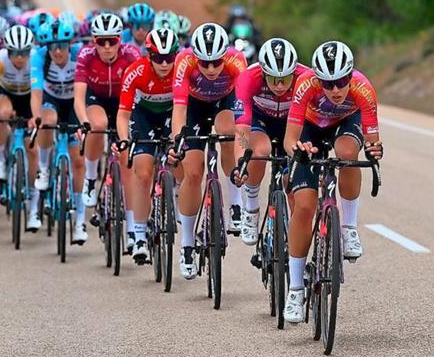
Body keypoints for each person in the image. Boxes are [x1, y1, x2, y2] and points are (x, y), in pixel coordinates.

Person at [281, 41, 383, 324]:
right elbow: (290, 139)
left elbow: (373, 141)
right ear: (317, 79)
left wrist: (375, 151)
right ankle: (296, 289)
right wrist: (299, 152)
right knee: (303, 207)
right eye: (328, 84)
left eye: (341, 82)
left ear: (351, 76)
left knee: (348, 154)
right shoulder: (305, 86)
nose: (336, 90)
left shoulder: (363, 89)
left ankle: (348, 227)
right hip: (311, 129)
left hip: (345, 125)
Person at [167, 22, 247, 280]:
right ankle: (187, 243)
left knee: (228, 129)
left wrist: (244, 142)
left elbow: (244, 109)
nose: (211, 69)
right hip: (194, 106)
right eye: (204, 63)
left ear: (225, 55)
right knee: (192, 172)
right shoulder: (183, 61)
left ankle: (236, 203)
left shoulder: (237, 60)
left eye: (216, 62)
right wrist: (178, 138)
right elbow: (178, 109)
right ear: (195, 57)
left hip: (225, 101)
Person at [230, 38, 308, 245]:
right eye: (273, 79)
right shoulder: (248, 78)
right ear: (264, 73)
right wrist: (241, 164)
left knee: (290, 181)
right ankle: (251, 208)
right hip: (260, 120)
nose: (280, 85)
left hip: (291, 124)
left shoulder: (306, 77)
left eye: (285, 79)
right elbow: (242, 131)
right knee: (260, 150)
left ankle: (296, 241)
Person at [115, 28, 179, 262]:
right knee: (142, 173)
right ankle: (139, 233)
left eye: (169, 58)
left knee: (182, 154)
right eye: (158, 58)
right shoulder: (136, 72)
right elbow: (123, 115)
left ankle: (178, 192)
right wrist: (123, 141)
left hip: (172, 116)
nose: (164, 64)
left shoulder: (180, 73)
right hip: (143, 118)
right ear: (148, 56)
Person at [73, 13, 140, 221]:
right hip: (97, 101)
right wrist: (84, 122)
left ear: (121, 40)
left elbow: (140, 94)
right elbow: (78, 97)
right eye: (102, 41)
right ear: (94, 41)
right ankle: (91, 178)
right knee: (97, 124)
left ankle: (131, 228)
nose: (107, 47)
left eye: (113, 41)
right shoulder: (86, 55)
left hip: (123, 104)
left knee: (126, 163)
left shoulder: (131, 54)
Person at [29, 20, 87, 241]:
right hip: (51, 101)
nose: (58, 51)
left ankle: (80, 220)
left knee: (78, 161)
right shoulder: (39, 57)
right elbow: (36, 94)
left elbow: (85, 94)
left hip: (74, 104)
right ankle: (44, 167)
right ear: (46, 47)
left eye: (62, 45)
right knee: (47, 119)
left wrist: (84, 120)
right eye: (52, 47)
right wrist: (36, 119)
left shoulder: (79, 54)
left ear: (69, 43)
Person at [0, 25, 38, 219]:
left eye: (24, 52)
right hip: (6, 96)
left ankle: (33, 197)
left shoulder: (37, 58)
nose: (20, 57)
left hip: (30, 98)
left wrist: (36, 118)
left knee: (32, 150)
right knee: (3, 112)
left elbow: (40, 94)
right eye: (15, 52)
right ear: (8, 50)